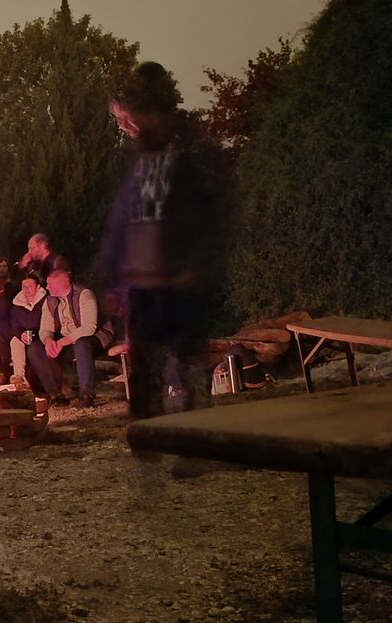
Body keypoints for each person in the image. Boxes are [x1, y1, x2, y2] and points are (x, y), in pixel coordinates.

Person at [101, 61, 224, 417]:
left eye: (126, 115)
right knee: (142, 375)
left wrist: (197, 265)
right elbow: (122, 216)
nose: (123, 125)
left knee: (187, 369)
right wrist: (112, 273)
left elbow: (209, 214)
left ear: (149, 108)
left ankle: (198, 442)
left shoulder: (186, 151)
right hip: (141, 288)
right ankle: (148, 445)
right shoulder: (135, 158)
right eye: (118, 119)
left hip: (179, 283)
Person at [27, 265, 115, 407]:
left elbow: (89, 327)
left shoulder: (84, 295)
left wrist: (61, 343)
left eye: (49, 284)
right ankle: (56, 394)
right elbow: (45, 329)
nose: (47, 287)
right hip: (67, 340)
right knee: (35, 348)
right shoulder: (50, 301)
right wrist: (49, 342)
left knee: (81, 343)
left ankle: (87, 394)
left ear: (60, 283)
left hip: (96, 337)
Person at [9, 273, 47, 391]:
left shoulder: (45, 301)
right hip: (26, 336)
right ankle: (19, 377)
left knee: (33, 349)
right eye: (24, 287)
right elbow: (15, 326)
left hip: (42, 334)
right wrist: (21, 335)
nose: (26, 289)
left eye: (30, 286)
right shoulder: (17, 305)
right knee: (15, 341)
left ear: (38, 287)